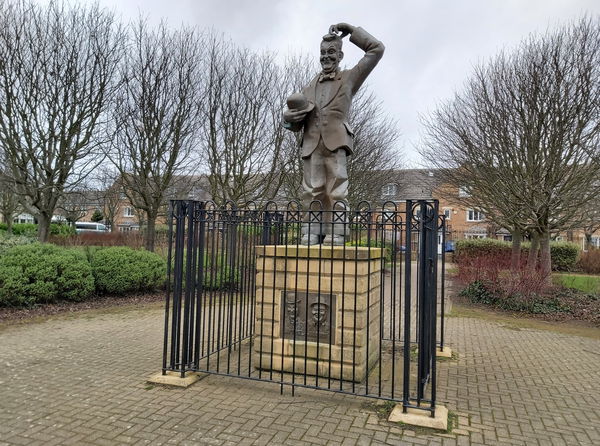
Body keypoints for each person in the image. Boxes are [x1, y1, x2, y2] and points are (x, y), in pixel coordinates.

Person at [283, 22, 385, 245]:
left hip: (336, 140)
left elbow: (376, 49)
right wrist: (288, 119)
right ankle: (311, 232)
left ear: (340, 55)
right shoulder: (308, 87)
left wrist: (352, 30)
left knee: (337, 190)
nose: (326, 57)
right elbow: (296, 119)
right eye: (322, 53)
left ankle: (336, 233)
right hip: (311, 143)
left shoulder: (349, 78)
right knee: (311, 191)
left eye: (331, 52)